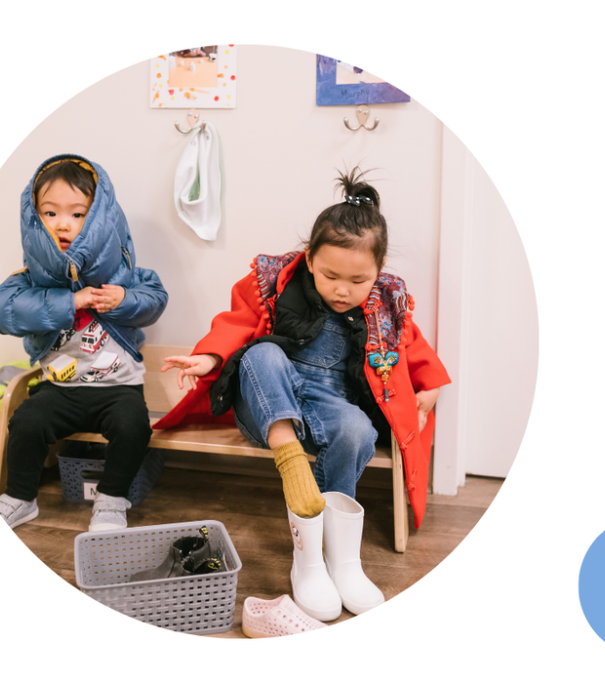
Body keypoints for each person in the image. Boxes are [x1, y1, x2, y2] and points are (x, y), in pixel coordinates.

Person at [155, 169, 451, 621]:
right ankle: (295, 490)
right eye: (331, 275)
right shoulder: (274, 281)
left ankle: (333, 559)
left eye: (358, 280)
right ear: (310, 259)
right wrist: (210, 360)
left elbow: (408, 346)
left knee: (357, 427)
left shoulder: (386, 304)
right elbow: (234, 325)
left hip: (328, 408)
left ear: (379, 271)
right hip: (270, 405)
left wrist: (429, 383)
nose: (342, 290)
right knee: (263, 355)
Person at [0, 154, 168, 532]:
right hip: (60, 388)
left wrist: (123, 299)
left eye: (78, 214)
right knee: (25, 421)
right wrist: (69, 301)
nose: (63, 225)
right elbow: (6, 312)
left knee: (134, 425)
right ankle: (20, 497)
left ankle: (110, 500)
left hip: (119, 389)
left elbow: (155, 300)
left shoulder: (126, 275)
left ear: (100, 221)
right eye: (50, 213)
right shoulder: (30, 280)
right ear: (34, 219)